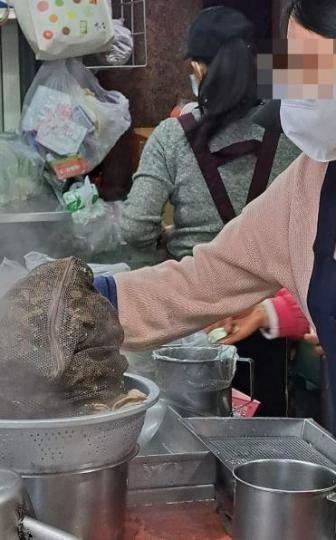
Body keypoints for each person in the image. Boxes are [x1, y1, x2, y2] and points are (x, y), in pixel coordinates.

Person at [93, 0, 336, 431]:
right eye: (294, 70)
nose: (298, 94)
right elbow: (203, 279)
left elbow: (136, 226)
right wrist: (90, 301)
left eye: (313, 71)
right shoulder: (312, 176)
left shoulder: (174, 137)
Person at [120, 7, 300, 260]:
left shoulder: (171, 136)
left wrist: (170, 238)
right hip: (274, 290)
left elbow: (135, 229)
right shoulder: (292, 127)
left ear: (198, 68)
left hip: (195, 287)